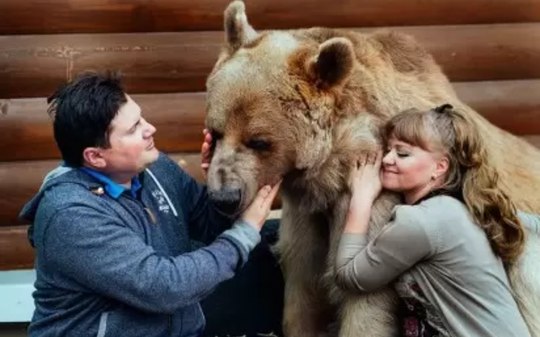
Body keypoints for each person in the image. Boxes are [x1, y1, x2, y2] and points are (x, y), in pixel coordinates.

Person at [19, 72, 281, 337]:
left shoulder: (156, 168)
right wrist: (244, 234)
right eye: (133, 129)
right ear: (95, 156)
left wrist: (220, 185)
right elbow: (164, 287)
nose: (150, 129)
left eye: (141, 117)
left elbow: (208, 224)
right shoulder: (71, 215)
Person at [335, 104, 538, 337]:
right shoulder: (463, 207)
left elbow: (350, 277)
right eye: (388, 150)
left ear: (440, 167)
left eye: (402, 153)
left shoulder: (423, 221)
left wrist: (360, 198)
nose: (387, 159)